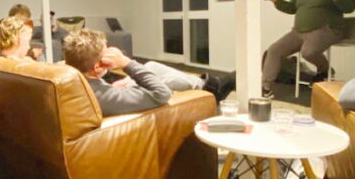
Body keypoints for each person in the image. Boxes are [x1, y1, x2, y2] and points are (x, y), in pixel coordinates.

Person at [62, 29, 233, 116]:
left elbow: (102, 89)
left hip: (112, 90)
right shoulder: (104, 96)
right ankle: (212, 90)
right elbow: (161, 94)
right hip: (123, 104)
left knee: (151, 66)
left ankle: (207, 85)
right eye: (106, 53)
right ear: (98, 67)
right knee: (163, 81)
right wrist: (126, 62)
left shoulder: (73, 78)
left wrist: (111, 85)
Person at [260, 0, 355, 99]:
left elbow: (350, 7)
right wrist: (277, 0)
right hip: (298, 32)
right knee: (274, 50)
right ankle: (265, 88)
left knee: (308, 52)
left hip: (327, 29)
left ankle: (324, 70)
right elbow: (291, 9)